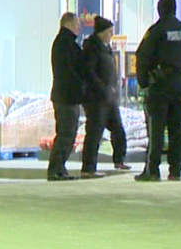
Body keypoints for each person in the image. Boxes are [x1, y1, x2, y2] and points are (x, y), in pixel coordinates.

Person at [135, 0, 181, 181]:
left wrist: (144, 83)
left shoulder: (155, 31)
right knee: (176, 129)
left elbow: (143, 57)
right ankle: (175, 171)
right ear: (175, 9)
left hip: (160, 86)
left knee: (156, 130)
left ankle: (153, 171)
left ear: (159, 10)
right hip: (180, 86)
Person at [79, 15, 131, 177]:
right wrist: (102, 89)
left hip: (109, 97)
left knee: (118, 130)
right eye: (109, 32)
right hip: (96, 99)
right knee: (95, 133)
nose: (111, 35)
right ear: (101, 32)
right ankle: (88, 167)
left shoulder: (106, 47)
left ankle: (119, 159)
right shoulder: (92, 48)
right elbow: (89, 73)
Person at [47, 12, 84, 181]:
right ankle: (55, 169)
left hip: (66, 95)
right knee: (65, 133)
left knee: (68, 133)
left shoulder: (66, 42)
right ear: (68, 24)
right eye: (77, 24)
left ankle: (59, 168)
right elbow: (70, 70)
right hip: (66, 96)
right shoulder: (65, 44)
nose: (79, 27)